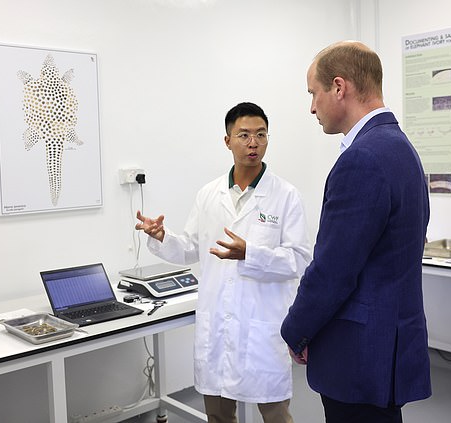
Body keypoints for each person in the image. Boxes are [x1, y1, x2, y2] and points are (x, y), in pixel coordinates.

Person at [280, 41, 432, 423]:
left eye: (313, 94)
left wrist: (295, 330)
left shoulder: (362, 158)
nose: (311, 107)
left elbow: (333, 271)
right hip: (388, 344)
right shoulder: (400, 148)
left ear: (338, 87)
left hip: (359, 353)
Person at [136, 102, 312, 423]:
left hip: (262, 328)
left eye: (260, 134)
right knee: (217, 416)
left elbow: (299, 260)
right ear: (227, 140)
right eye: (243, 135)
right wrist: (162, 237)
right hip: (217, 326)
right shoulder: (208, 194)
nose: (253, 143)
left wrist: (252, 254)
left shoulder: (285, 195)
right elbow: (191, 249)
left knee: (275, 415)